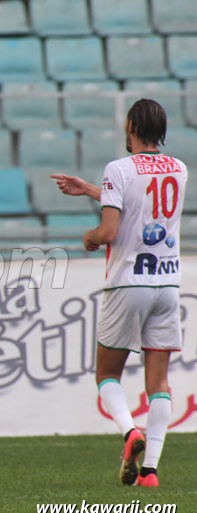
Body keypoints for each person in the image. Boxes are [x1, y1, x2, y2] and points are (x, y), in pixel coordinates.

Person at [51, 98, 186, 488]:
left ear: (130, 127)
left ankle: (130, 432)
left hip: (128, 282)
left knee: (107, 373)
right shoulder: (179, 169)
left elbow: (110, 231)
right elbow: (143, 204)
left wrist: (91, 239)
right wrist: (91, 190)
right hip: (166, 283)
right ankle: (150, 473)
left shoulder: (118, 168)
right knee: (158, 383)